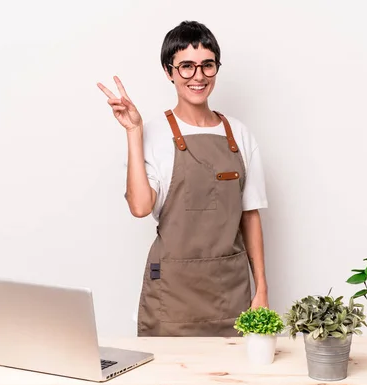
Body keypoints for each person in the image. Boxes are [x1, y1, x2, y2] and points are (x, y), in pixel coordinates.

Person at [97, 21, 269, 336]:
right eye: (186, 67)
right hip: (172, 295)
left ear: (217, 68)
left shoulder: (239, 134)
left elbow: (250, 215)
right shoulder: (153, 133)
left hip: (229, 293)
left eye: (207, 65)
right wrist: (134, 132)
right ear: (169, 71)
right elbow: (139, 207)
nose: (198, 76)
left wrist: (262, 290)